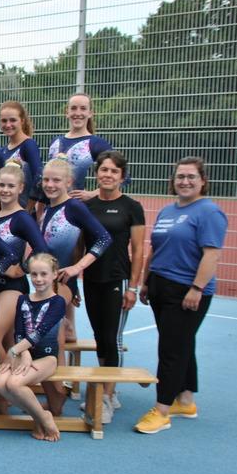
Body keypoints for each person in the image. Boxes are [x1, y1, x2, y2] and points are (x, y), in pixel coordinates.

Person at [135, 157, 227, 435]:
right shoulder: (167, 211)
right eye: (180, 177)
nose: (185, 182)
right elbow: (155, 250)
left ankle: (162, 410)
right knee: (181, 342)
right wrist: (146, 281)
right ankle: (185, 400)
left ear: (202, 181)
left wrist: (197, 288)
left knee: (171, 350)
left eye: (191, 177)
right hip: (161, 285)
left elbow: (211, 254)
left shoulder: (209, 212)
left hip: (187, 289)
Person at [82, 151, 144, 423]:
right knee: (98, 337)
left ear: (122, 176)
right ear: (97, 174)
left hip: (117, 279)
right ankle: (110, 387)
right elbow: (79, 244)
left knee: (113, 338)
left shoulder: (132, 207)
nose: (107, 175)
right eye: (103, 170)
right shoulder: (88, 206)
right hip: (92, 279)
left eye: (113, 171)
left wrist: (133, 288)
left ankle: (106, 397)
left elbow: (139, 249)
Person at [0, 253, 67, 442]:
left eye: (43, 274)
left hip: (47, 357)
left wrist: (15, 351)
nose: (38, 279)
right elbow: (19, 332)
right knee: (0, 384)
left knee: (14, 383)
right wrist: (23, 354)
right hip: (23, 354)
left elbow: (39, 332)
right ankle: (40, 415)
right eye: (34, 274)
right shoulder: (23, 299)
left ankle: (44, 418)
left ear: (54, 274)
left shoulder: (57, 302)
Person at [39, 159, 112, 344]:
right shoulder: (48, 210)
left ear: (68, 182)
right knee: (54, 336)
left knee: (52, 339)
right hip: (48, 283)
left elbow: (104, 239)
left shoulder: (73, 207)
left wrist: (76, 268)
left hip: (63, 282)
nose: (50, 185)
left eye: (56, 180)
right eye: (46, 180)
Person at [0, 164, 49, 356]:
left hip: (12, 286)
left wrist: (22, 269)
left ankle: (3, 380)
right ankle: (8, 378)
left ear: (21, 188)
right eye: (2, 185)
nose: (5, 190)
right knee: (8, 342)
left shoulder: (22, 217)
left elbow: (42, 249)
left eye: (11, 186)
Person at [43, 93, 117, 201]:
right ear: (67, 113)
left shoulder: (96, 143)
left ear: (90, 113)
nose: (78, 113)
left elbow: (121, 178)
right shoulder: (55, 142)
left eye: (83, 108)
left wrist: (93, 194)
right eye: (73, 108)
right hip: (53, 210)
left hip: (80, 210)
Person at [0, 101, 42, 208]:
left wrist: (29, 209)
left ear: (22, 121)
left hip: (22, 213)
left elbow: (39, 179)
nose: (8, 125)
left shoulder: (28, 145)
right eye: (4, 121)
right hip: (5, 211)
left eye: (13, 120)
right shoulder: (4, 149)